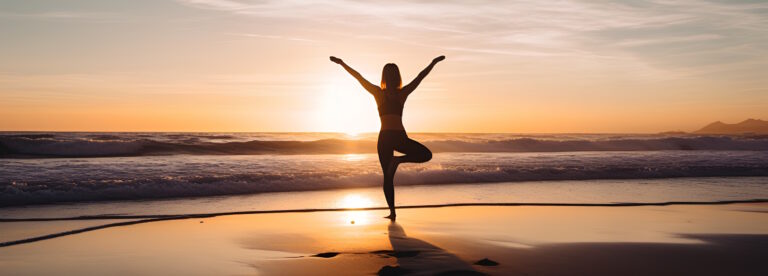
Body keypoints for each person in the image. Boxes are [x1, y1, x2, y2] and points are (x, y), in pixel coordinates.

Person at [330, 55, 445, 219]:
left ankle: (397, 162)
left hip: (392, 137)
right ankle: (392, 212)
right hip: (389, 138)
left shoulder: (395, 93)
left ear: (395, 76)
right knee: (388, 177)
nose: (391, 78)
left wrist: (432, 63)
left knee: (425, 155)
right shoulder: (386, 93)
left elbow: (420, 77)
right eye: (389, 75)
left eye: (393, 75)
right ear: (387, 76)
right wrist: (342, 64)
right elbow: (359, 77)